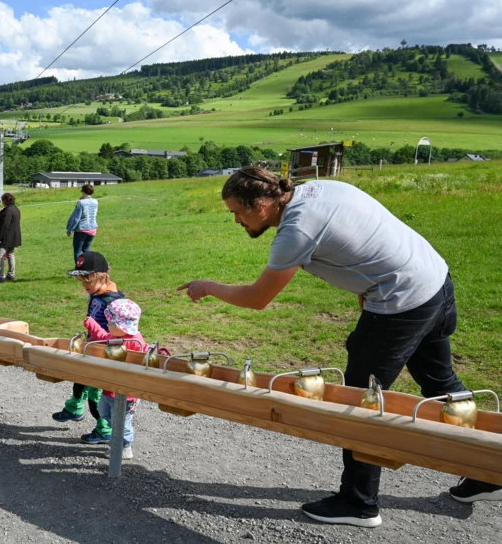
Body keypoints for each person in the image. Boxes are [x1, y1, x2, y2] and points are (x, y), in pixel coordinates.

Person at [176, 166, 502, 528]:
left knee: (363, 398)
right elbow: (365, 236)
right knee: (441, 382)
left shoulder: (295, 231)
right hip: (434, 281)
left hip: (401, 301)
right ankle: (490, 469)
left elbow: (257, 298)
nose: (236, 220)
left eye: (238, 211)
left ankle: (359, 503)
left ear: (263, 203)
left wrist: (207, 286)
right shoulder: (319, 189)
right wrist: (368, 285)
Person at [52, 251, 125, 443]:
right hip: (91, 346)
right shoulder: (97, 293)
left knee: (96, 395)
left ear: (101, 277)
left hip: (103, 352)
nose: (83, 285)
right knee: (79, 378)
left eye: (87, 280)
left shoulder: (113, 302)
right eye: (81, 280)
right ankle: (74, 408)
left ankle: (105, 429)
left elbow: (119, 334)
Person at [80, 298, 146, 460]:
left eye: (111, 323)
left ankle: (125, 447)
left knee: (122, 422)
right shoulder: (116, 336)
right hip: (109, 389)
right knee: (105, 414)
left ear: (122, 325)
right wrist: (92, 325)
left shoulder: (134, 342)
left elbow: (139, 360)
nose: (108, 325)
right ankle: (114, 439)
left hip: (126, 393)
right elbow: (103, 337)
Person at [0, 193, 21, 283]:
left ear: (5, 201)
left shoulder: (8, 211)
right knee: (10, 255)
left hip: (5, 238)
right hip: (13, 237)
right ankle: (11, 274)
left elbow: (4, 225)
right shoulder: (15, 209)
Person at [66, 184, 98, 262]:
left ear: (83, 191)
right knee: (86, 248)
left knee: (77, 251)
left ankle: (79, 270)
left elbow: (76, 218)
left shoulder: (81, 203)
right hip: (92, 229)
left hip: (82, 230)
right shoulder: (95, 202)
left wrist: (69, 229)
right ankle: (91, 265)